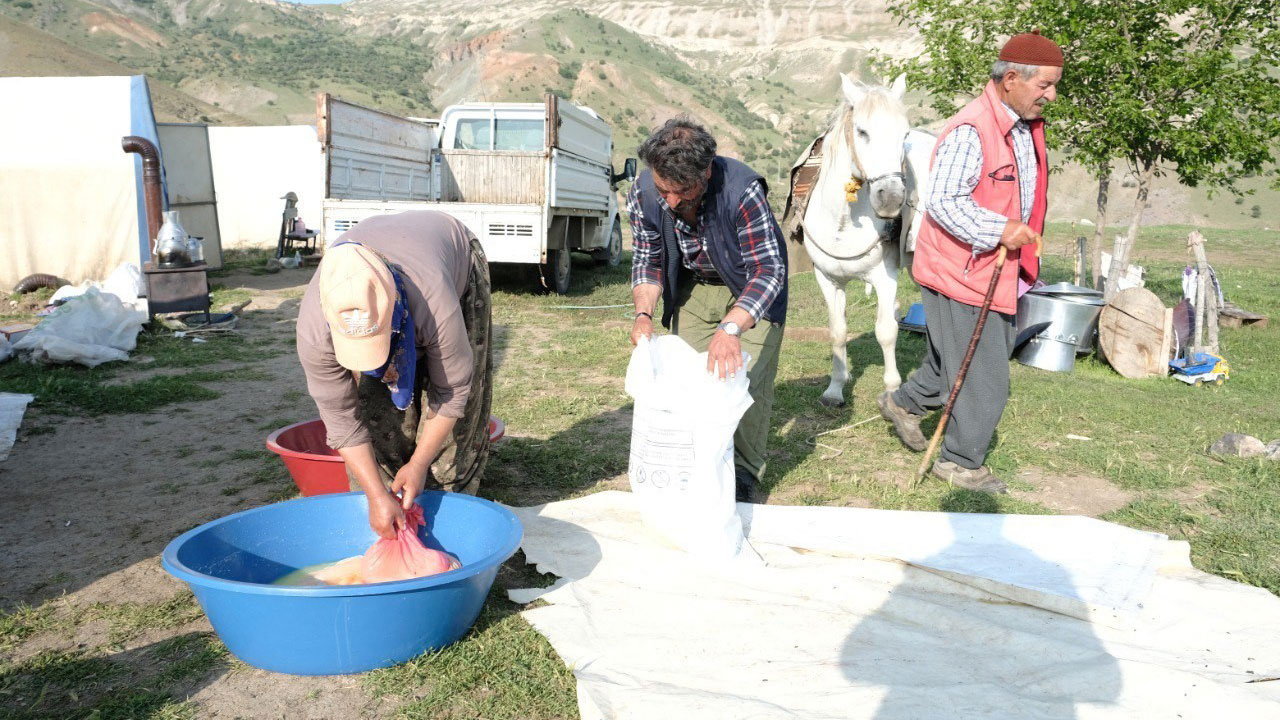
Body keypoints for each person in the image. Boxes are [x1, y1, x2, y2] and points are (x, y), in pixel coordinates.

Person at [878, 30, 1063, 494]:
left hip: (987, 268)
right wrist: (1001, 230)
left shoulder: (1019, 124)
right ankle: (959, 462)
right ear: (1011, 79)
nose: (1052, 96)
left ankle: (904, 404)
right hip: (963, 270)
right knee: (985, 376)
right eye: (1045, 85)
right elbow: (944, 201)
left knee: (954, 357)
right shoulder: (972, 128)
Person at [296, 210, 492, 538]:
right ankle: (388, 512)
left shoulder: (434, 301)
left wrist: (418, 465)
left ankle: (446, 514)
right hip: (397, 269)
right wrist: (375, 494)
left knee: (462, 421)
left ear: (393, 310)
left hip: (450, 256)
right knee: (378, 415)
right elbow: (341, 420)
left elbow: (453, 391)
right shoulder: (315, 333)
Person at [628, 116, 789, 503]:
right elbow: (647, 260)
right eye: (663, 189)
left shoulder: (741, 190)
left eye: (681, 191)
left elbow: (768, 270)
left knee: (743, 381)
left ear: (707, 171)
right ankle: (697, 463)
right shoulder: (645, 190)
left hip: (751, 289)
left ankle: (744, 473)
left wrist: (731, 328)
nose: (669, 201)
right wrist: (644, 315)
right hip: (694, 287)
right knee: (690, 381)